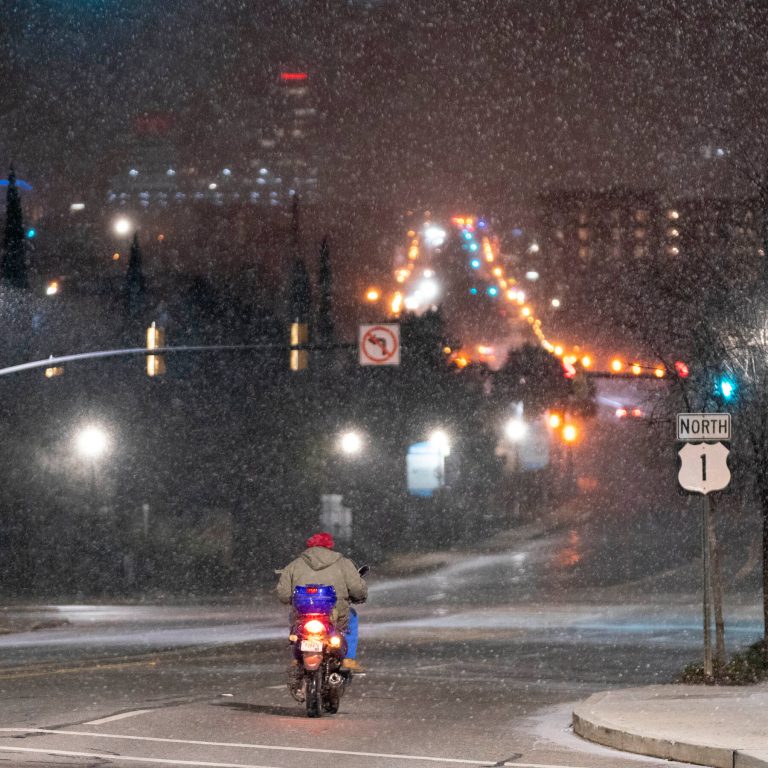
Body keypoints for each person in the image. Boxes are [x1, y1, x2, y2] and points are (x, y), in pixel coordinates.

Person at [276, 532, 367, 672]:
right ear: (330, 546)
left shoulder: (294, 565)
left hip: (303, 616)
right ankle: (348, 659)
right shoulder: (343, 563)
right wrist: (359, 597)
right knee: (352, 617)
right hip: (334, 615)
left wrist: (293, 600)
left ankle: (296, 656)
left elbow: (283, 595)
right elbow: (356, 589)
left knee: (294, 620)